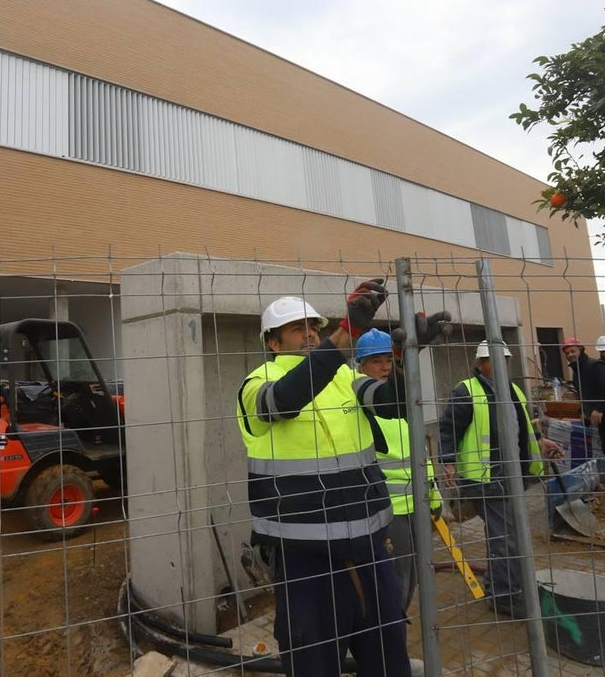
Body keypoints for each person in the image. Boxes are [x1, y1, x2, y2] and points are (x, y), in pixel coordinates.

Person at [238, 285, 413, 677]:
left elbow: (392, 403)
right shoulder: (256, 384)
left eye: (313, 327)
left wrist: (406, 359)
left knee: (390, 661)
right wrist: (345, 334)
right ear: (272, 342)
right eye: (297, 328)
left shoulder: (344, 376)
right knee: (315, 665)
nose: (310, 334)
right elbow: (286, 399)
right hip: (305, 559)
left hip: (369, 548)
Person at [437, 340, 562, 618]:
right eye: (495, 361)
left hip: (512, 475)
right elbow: (448, 428)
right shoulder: (466, 391)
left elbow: (524, 426)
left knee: (506, 534)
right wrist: (448, 462)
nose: (502, 366)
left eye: (504, 361)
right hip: (484, 478)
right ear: (481, 364)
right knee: (506, 536)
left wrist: (541, 441)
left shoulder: (513, 390)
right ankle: (505, 597)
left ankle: (501, 586)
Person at [352, 328, 443, 614]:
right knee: (395, 581)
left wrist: (435, 498)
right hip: (388, 512)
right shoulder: (361, 404)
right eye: (376, 361)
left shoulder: (402, 403)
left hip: (418, 505)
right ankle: (389, 636)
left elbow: (420, 456)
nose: (385, 367)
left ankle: (395, 631)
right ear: (361, 365)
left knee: (414, 575)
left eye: (389, 360)